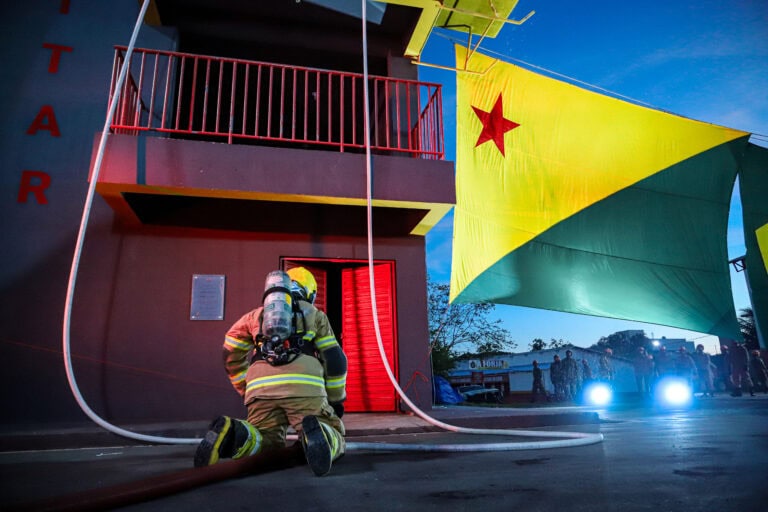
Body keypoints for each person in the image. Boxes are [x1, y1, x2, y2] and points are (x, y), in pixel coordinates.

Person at [194, 267, 348, 476]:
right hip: (304, 387)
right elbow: (335, 360)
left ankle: (234, 434)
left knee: (265, 438)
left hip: (261, 389)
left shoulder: (254, 316)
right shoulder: (315, 315)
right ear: (309, 293)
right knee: (333, 429)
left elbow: (229, 354)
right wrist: (335, 399)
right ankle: (322, 433)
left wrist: (246, 388)